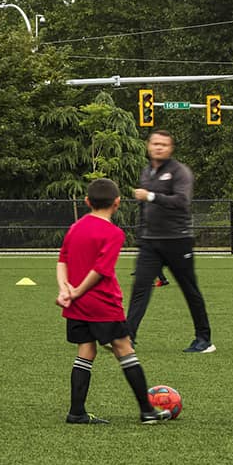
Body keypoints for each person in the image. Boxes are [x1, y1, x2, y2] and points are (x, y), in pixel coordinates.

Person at [55, 179, 162, 425]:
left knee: (86, 350)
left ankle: (77, 412)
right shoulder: (114, 233)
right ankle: (147, 411)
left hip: (77, 305)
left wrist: (66, 289)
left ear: (87, 202)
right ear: (117, 203)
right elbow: (101, 270)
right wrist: (78, 291)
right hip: (102, 303)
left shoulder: (75, 227)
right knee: (125, 349)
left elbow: (62, 260)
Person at [127, 130, 215, 353]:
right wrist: (141, 233)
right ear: (148, 146)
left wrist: (151, 196)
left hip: (178, 240)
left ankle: (204, 339)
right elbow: (144, 209)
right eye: (155, 143)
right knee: (140, 288)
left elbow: (182, 201)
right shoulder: (146, 172)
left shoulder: (179, 172)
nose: (159, 147)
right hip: (150, 242)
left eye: (164, 144)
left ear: (171, 148)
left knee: (189, 290)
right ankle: (127, 338)